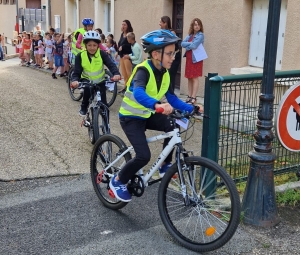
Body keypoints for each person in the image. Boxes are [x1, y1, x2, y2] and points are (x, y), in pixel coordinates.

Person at [109, 29, 203, 202]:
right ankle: (118, 180)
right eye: (169, 53)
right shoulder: (143, 70)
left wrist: (191, 108)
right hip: (131, 117)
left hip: (147, 114)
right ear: (155, 54)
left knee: (173, 125)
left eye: (174, 52)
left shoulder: (165, 73)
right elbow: (138, 92)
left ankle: (164, 164)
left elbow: (172, 98)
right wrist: (157, 105)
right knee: (143, 156)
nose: (173, 57)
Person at [70, 31, 121, 116]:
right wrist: (75, 80)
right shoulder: (80, 56)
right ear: (85, 45)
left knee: (105, 107)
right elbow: (77, 72)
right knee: (87, 88)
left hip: (100, 81)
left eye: (94, 45)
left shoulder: (102, 54)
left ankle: (106, 127)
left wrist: (116, 73)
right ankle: (84, 106)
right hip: (86, 80)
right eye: (89, 45)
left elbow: (111, 65)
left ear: (98, 45)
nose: (92, 48)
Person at [181, 18, 205, 105]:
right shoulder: (190, 35)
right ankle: (189, 96)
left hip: (196, 59)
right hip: (189, 58)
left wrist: (188, 45)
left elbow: (194, 46)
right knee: (189, 77)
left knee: (195, 77)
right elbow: (182, 43)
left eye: (198, 24)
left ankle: (194, 97)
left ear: (200, 26)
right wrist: (189, 44)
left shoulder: (200, 35)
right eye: (195, 24)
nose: (197, 26)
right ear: (192, 26)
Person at [159, 16, 181, 92]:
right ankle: (165, 91)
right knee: (165, 74)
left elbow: (172, 44)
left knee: (171, 74)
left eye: (161, 22)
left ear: (165, 23)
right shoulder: (161, 32)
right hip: (167, 55)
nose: (159, 24)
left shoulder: (172, 32)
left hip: (174, 56)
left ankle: (171, 93)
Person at [117, 20, 133, 94]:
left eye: (125, 25)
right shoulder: (122, 34)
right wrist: (117, 52)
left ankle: (130, 88)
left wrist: (123, 47)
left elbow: (130, 45)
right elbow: (119, 44)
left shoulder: (130, 35)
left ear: (128, 26)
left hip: (127, 56)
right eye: (122, 24)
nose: (123, 26)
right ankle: (125, 87)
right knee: (124, 74)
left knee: (128, 73)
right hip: (121, 56)